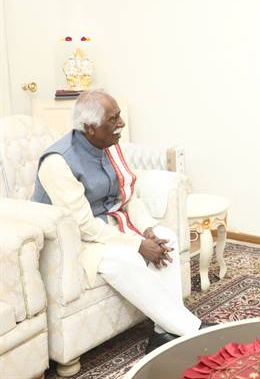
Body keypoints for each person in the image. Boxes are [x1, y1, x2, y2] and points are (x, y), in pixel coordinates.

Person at [31, 90, 214, 354]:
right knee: (124, 258)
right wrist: (137, 245)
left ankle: (163, 333)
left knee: (167, 238)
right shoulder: (57, 163)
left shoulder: (109, 147)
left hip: (110, 225)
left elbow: (128, 197)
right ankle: (192, 331)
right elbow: (83, 226)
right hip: (74, 241)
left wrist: (148, 230)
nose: (122, 123)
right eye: (113, 118)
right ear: (90, 127)